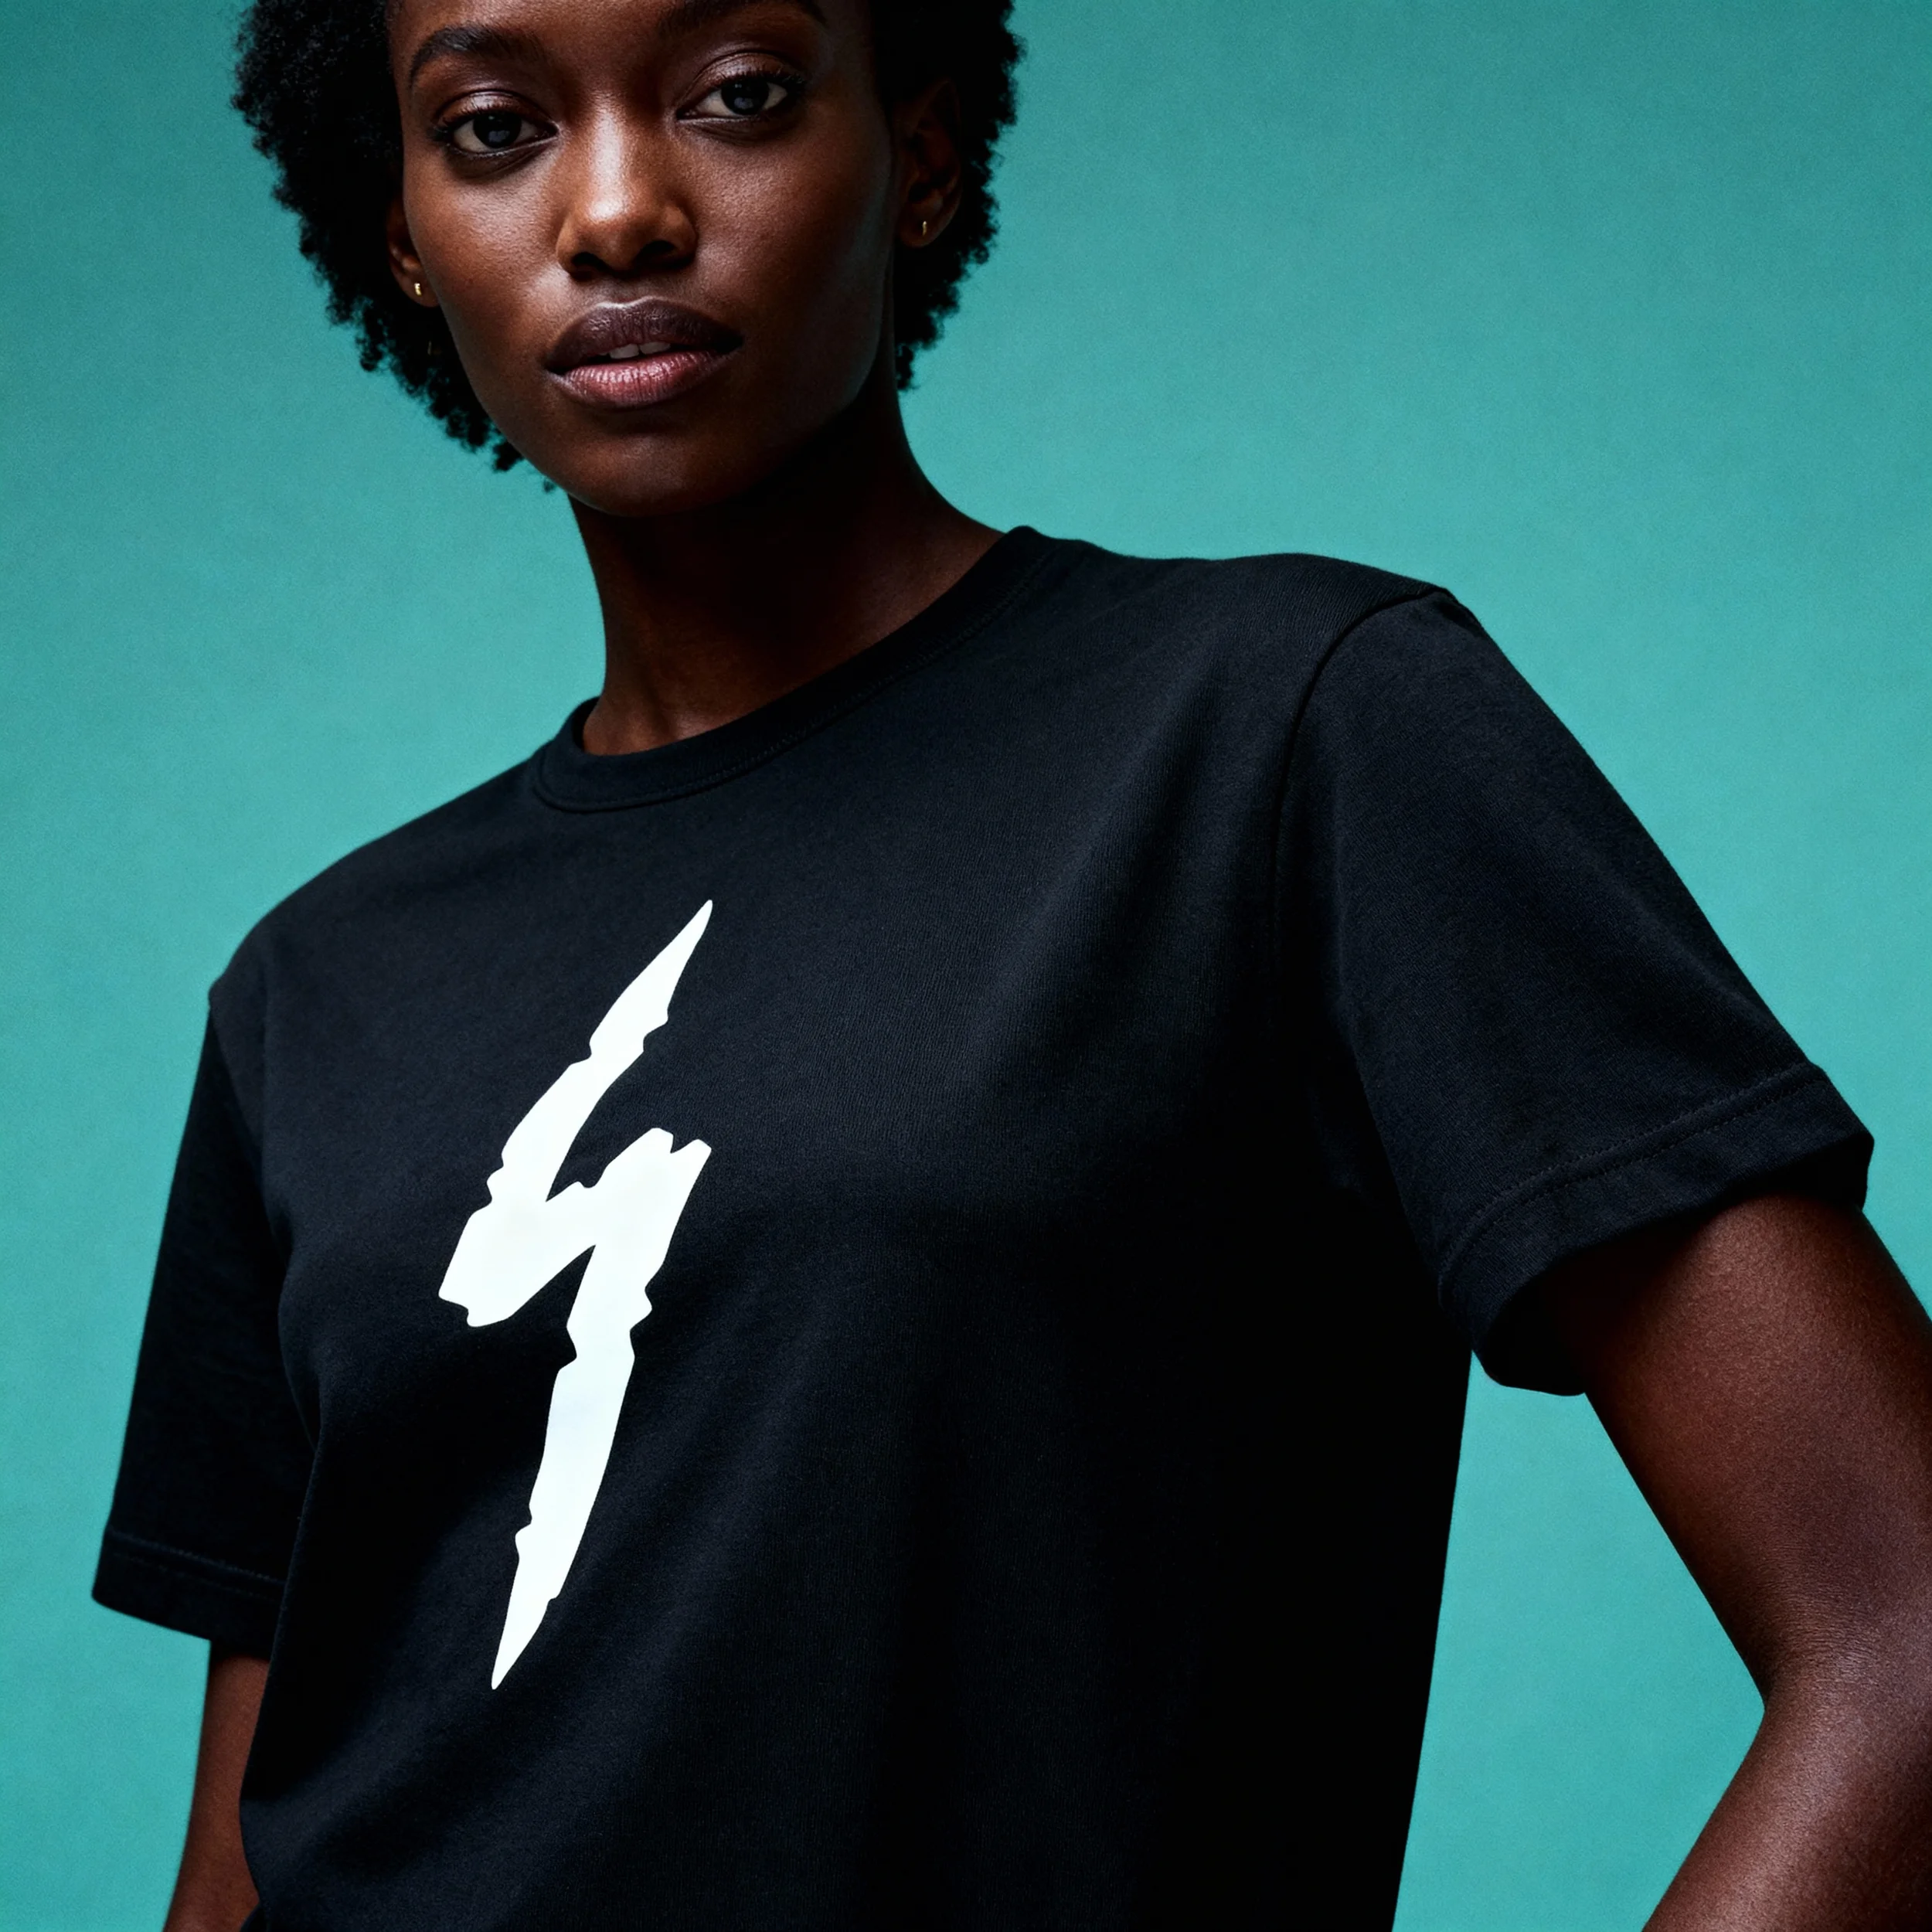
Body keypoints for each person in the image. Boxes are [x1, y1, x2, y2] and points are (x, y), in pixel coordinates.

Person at [93, 0, 1932, 1925]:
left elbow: (1895, 1630)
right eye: (489, 129)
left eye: (734, 96)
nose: (618, 210)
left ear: (924, 150)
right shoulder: (313, 988)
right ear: (401, 232)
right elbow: (238, 1864)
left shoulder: (1283, 739)